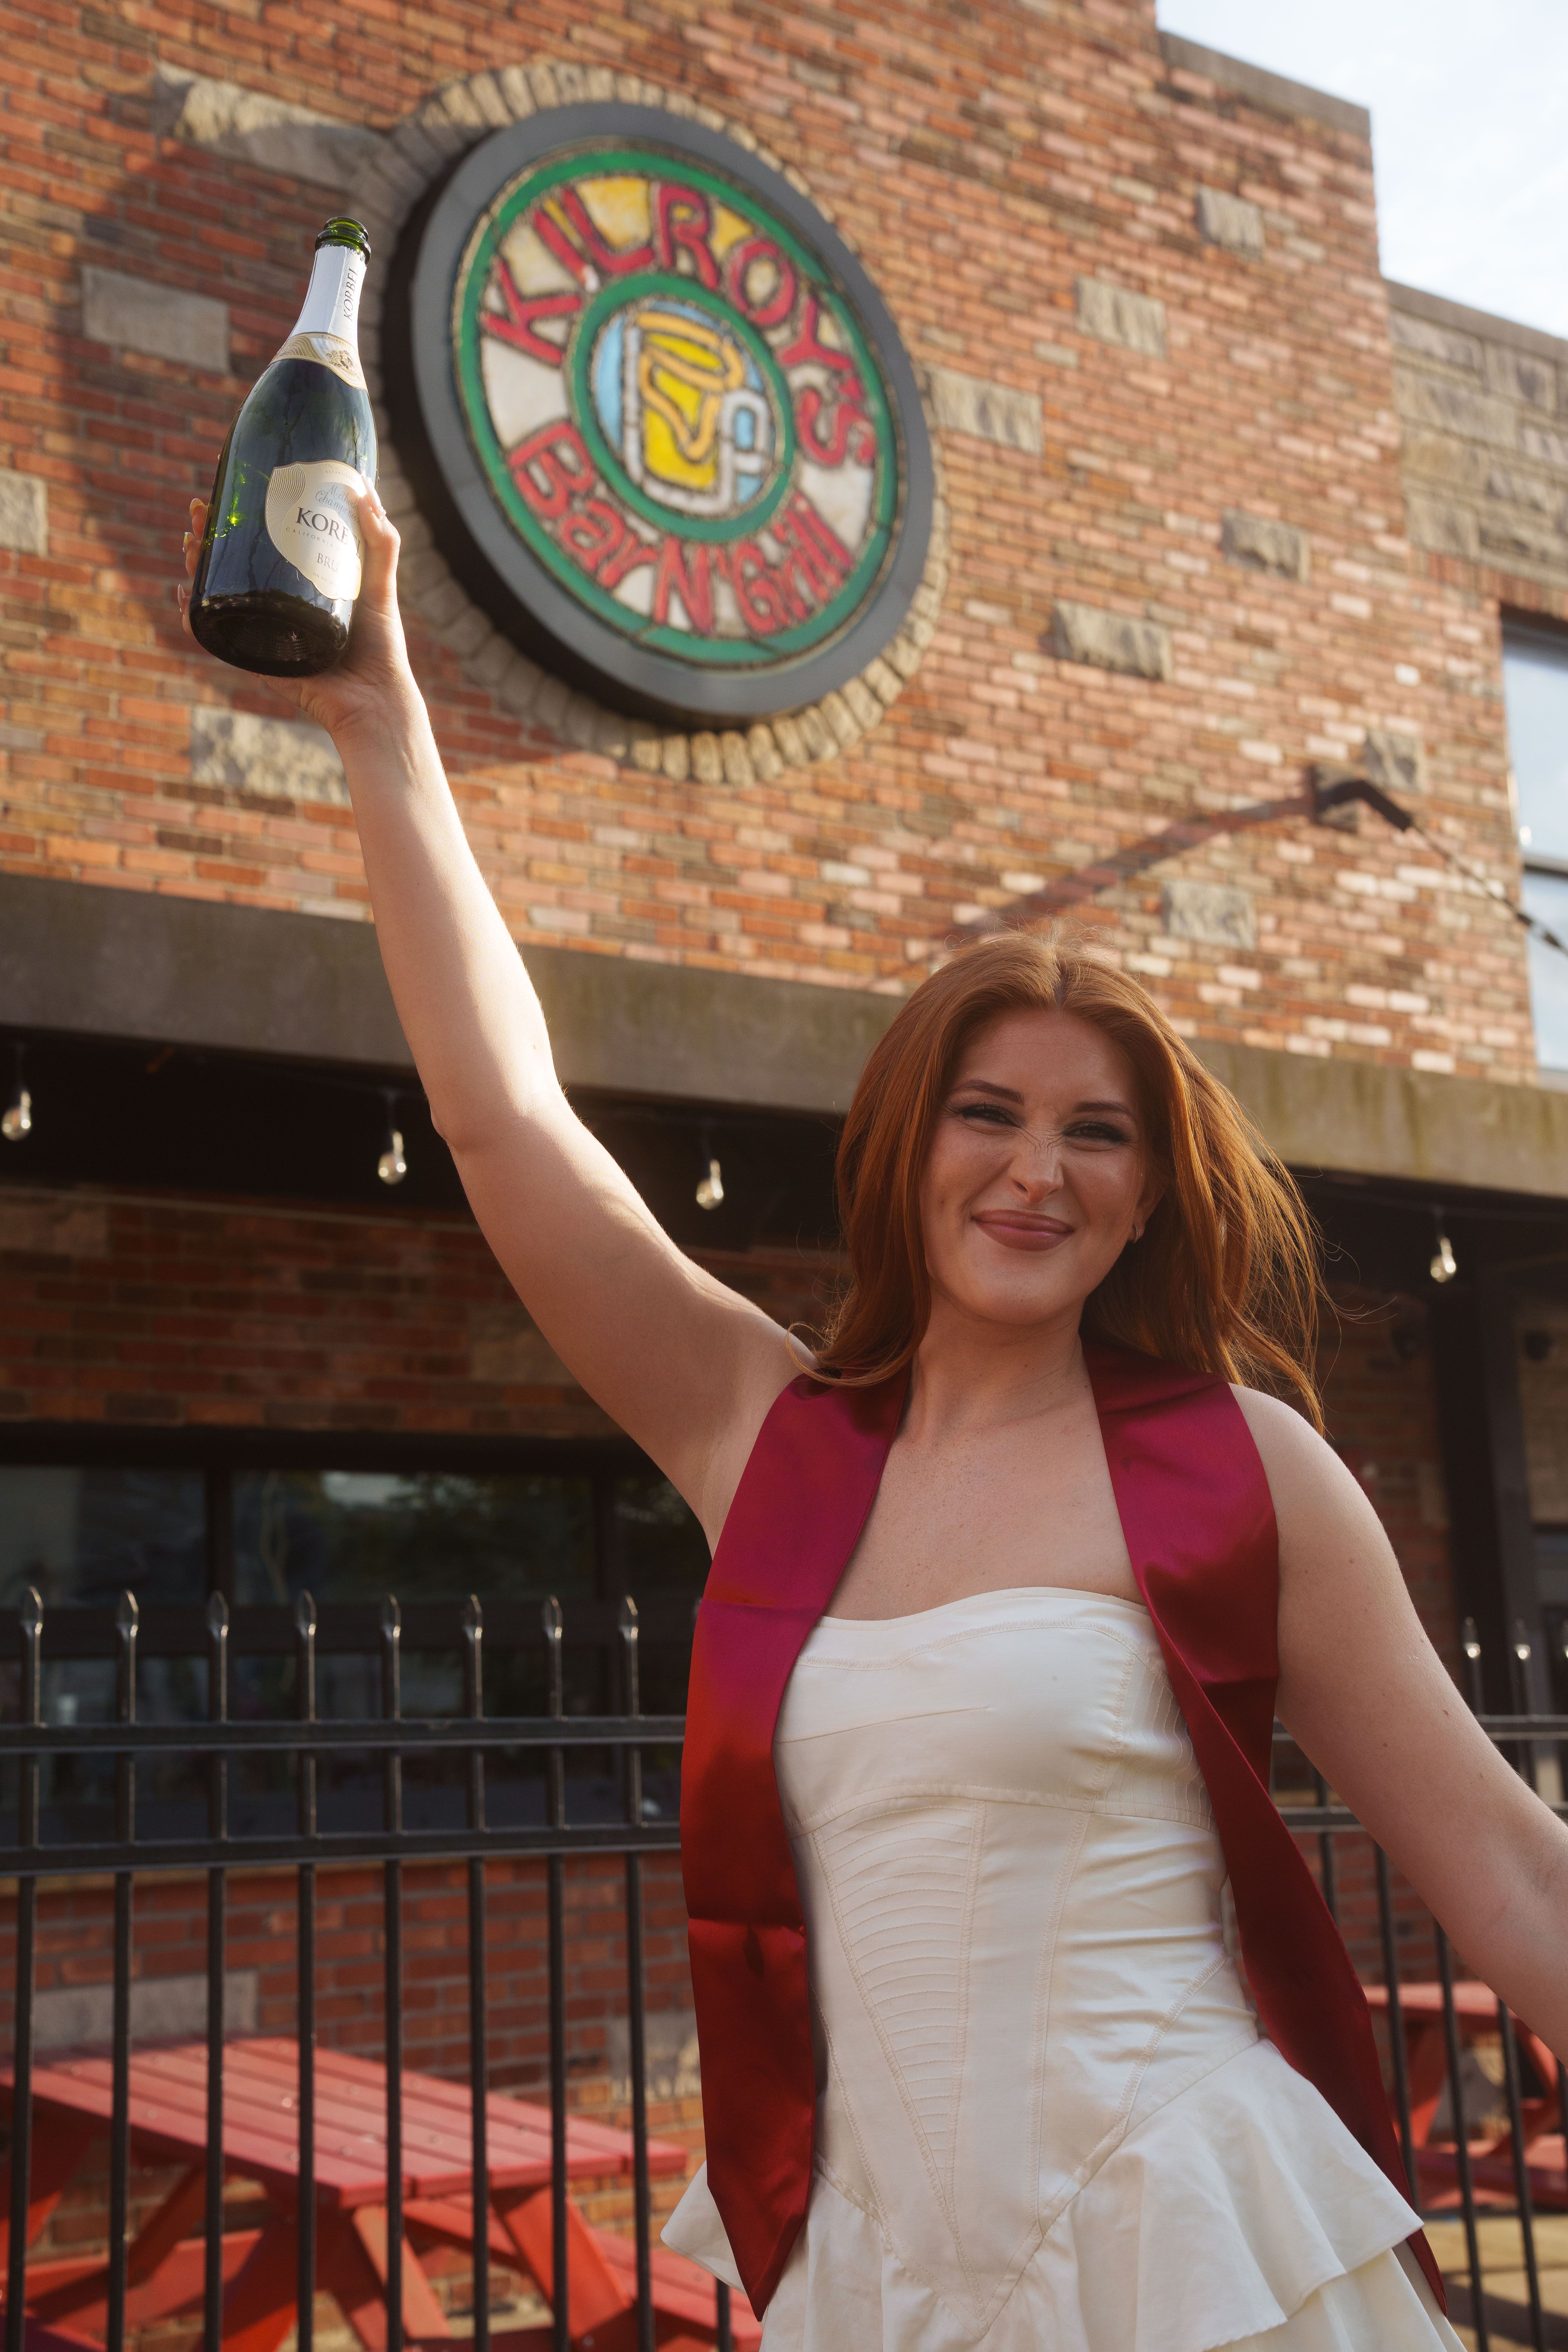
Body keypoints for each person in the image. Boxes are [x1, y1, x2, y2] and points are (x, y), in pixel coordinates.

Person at [180, 495, 1566, 2351]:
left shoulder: (1241, 1470)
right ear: (903, 1153)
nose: (1034, 1171)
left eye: (1097, 1133)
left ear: (1149, 1196)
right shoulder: (767, 1437)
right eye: (985, 1113)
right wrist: (383, 722)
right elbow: (509, 1124)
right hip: (863, 2261)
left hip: (1182, 2245)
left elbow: (1499, 1861)